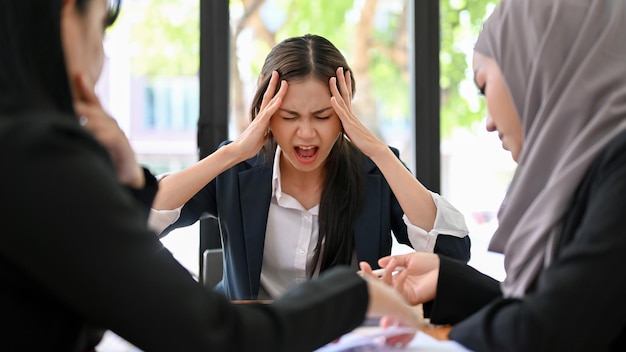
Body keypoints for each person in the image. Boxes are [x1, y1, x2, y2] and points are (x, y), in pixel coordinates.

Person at [0, 0, 425, 351]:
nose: (103, 54)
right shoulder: (37, 155)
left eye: (323, 116)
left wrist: (127, 182)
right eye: (101, 26)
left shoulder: (27, 149)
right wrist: (356, 293)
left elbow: (451, 246)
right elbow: (205, 329)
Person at [361, 0, 626, 351]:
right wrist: (448, 280)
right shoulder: (597, 170)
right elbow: (560, 306)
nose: (487, 121)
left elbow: (557, 326)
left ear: (538, 68)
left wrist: (420, 345)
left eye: (484, 86)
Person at [149, 34, 471, 300]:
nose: (306, 133)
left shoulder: (374, 172)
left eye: (322, 117)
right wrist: (233, 153)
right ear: (267, 110)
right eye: (289, 117)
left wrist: (378, 151)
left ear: (344, 111)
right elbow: (143, 216)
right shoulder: (237, 170)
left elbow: (453, 252)